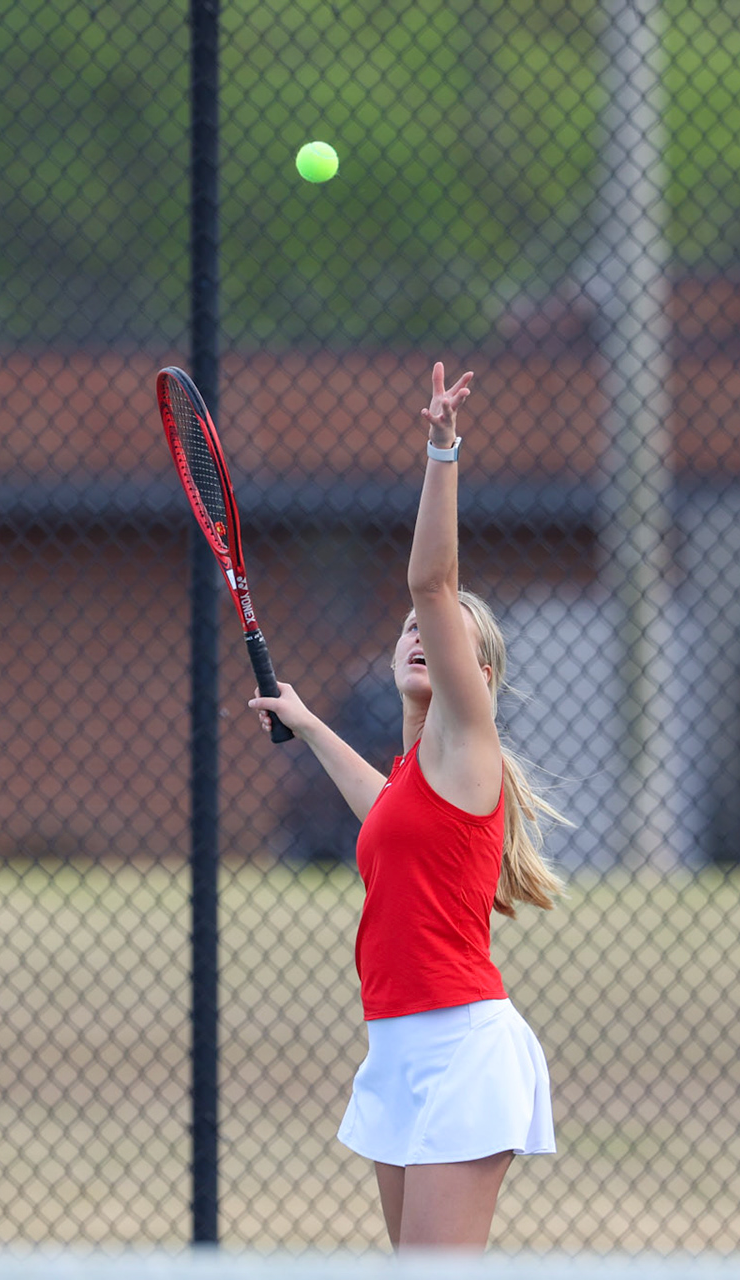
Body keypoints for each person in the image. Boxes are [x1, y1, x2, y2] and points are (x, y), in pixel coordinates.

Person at [248, 361, 564, 1252]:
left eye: (445, 632)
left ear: (481, 679)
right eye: (413, 629)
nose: (422, 629)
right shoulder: (417, 779)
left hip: (463, 1051)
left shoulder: (471, 742)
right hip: (397, 1050)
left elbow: (431, 578)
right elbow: (379, 807)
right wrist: (307, 723)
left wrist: (441, 449)